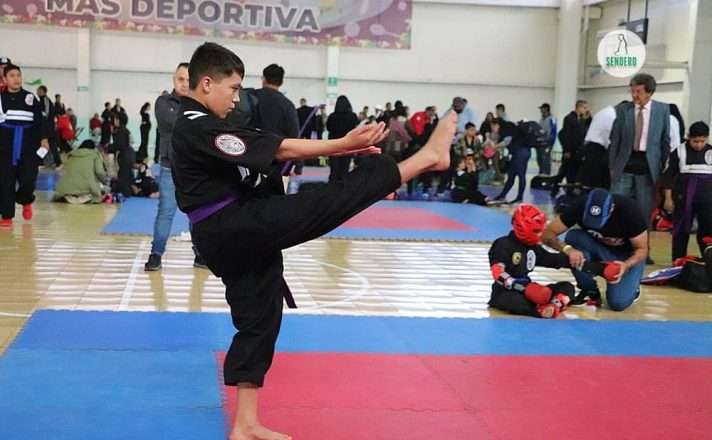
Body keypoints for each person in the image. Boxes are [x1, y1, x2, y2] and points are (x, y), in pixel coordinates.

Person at [171, 42, 456, 440]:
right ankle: (425, 159)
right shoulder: (195, 123)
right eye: (232, 88)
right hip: (231, 226)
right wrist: (342, 145)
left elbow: (267, 149)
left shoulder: (208, 121)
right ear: (206, 84)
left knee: (260, 317)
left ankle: (245, 424)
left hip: (233, 231)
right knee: (324, 203)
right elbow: (280, 147)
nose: (236, 98)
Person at [144, 62, 206, 271]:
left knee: (196, 213)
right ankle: (156, 254)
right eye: (181, 79)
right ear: (174, 79)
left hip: (194, 169)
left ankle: (200, 254)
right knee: (166, 212)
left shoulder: (201, 105)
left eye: (189, 80)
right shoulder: (163, 102)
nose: (185, 83)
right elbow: (176, 123)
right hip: (169, 168)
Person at [542, 188, 648, 311]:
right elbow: (547, 234)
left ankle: (632, 287)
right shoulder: (579, 205)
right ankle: (589, 289)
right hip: (597, 247)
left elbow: (642, 249)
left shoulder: (630, 211)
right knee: (574, 237)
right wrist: (567, 249)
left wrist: (626, 265)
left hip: (626, 256)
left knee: (618, 303)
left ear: (612, 209)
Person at [609, 73, 670, 264]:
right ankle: (615, 248)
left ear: (649, 92)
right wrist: (612, 166)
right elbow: (615, 140)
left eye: (638, 91)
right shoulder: (623, 110)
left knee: (644, 213)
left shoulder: (662, 110)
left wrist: (663, 169)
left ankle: (643, 251)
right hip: (624, 166)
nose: (634, 95)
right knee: (616, 208)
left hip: (648, 169)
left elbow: (665, 141)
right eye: (632, 91)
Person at [489, 204, 575, 318]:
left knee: (567, 287)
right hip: (505, 291)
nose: (539, 235)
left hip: (530, 289)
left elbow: (553, 260)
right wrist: (523, 288)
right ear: (522, 227)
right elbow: (498, 273)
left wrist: (576, 259)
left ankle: (554, 305)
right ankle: (539, 309)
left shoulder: (533, 248)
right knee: (517, 302)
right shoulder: (503, 244)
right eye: (536, 231)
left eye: (540, 231)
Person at [0, 64, 49, 226]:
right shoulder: (0, 99)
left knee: (28, 179)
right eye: (12, 76)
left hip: (28, 146)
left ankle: (25, 200)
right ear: (5, 79)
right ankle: (7, 216)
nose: (16, 79)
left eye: (18, 75)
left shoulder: (30, 98)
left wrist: (44, 139)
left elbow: (40, 121)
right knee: (6, 182)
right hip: (5, 147)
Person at [662, 121, 712, 260]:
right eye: (695, 141)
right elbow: (668, 177)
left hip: (707, 200)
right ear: (689, 137)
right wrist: (668, 199)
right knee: (680, 231)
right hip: (683, 199)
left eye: (702, 141)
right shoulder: (679, 151)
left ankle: (708, 261)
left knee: (708, 231)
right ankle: (677, 261)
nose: (698, 145)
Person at [578, 101, 628, 189]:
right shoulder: (612, 116)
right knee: (598, 181)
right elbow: (611, 137)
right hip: (597, 149)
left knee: (591, 180)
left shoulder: (605, 111)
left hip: (591, 146)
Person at [551, 100, 590, 197]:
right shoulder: (569, 118)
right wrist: (567, 150)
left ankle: (570, 192)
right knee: (564, 171)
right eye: (584, 108)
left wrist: (588, 118)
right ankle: (555, 190)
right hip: (570, 151)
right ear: (579, 107)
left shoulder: (582, 120)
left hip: (578, 151)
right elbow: (567, 135)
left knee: (574, 172)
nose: (586, 110)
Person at [53, 139, 107, 204]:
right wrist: (105, 181)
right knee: (103, 189)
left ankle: (71, 196)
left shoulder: (71, 155)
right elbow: (99, 172)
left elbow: (63, 172)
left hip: (65, 189)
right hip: (87, 188)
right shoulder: (95, 155)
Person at [493, 118, 529, 203]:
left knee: (521, 175)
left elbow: (507, 141)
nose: (492, 129)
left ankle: (519, 198)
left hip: (521, 152)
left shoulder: (506, 128)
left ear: (497, 124)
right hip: (521, 152)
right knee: (511, 175)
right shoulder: (508, 126)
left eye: (492, 126)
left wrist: (495, 146)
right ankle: (502, 195)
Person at [326, 95, 359, 182]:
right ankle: (343, 186)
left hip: (334, 145)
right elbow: (355, 127)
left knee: (334, 169)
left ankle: (332, 186)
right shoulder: (353, 116)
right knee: (345, 168)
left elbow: (328, 127)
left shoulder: (332, 116)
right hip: (347, 145)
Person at [36, 85, 61, 167]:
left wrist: (44, 127)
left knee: (52, 145)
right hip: (45, 127)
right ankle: (40, 163)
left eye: (39, 91)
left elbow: (45, 115)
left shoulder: (46, 101)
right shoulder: (41, 100)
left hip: (47, 128)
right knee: (41, 145)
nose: (37, 92)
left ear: (43, 92)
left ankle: (58, 163)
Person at [536, 103, 556, 175]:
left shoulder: (552, 119)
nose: (541, 111)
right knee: (540, 159)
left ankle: (546, 175)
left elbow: (552, 132)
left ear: (546, 109)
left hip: (547, 143)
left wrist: (549, 142)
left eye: (542, 109)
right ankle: (541, 173)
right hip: (540, 143)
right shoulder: (541, 119)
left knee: (546, 159)